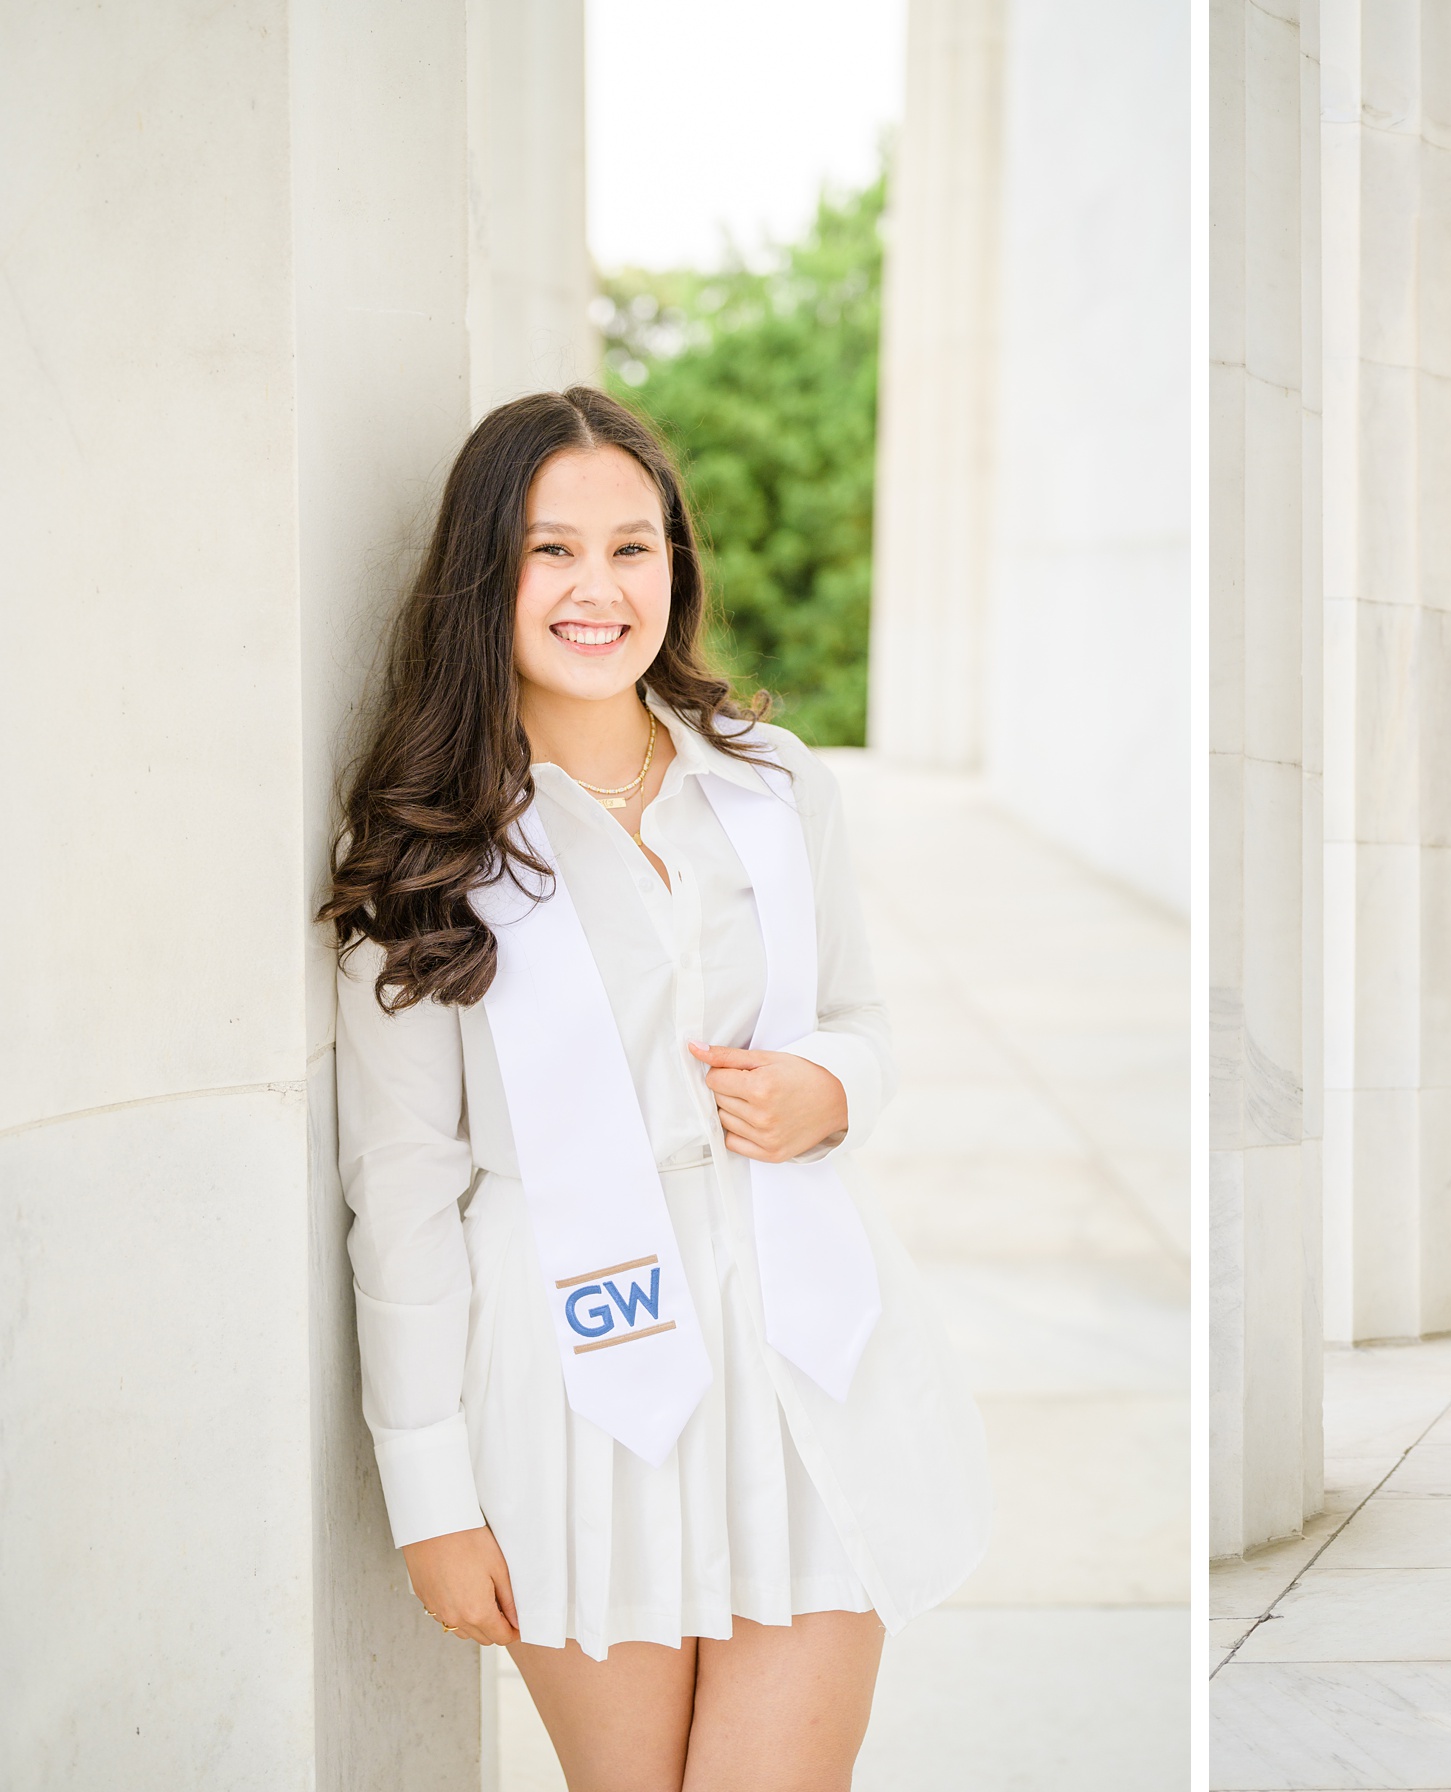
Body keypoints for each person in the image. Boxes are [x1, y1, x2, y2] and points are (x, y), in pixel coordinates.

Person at [322, 387, 989, 1791]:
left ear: (674, 567)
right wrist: (431, 1497)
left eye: (635, 546)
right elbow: (401, 1196)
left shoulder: (770, 786)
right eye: (551, 551)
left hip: (802, 1342)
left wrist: (831, 1087)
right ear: (482, 577)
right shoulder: (433, 847)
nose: (598, 587)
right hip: (579, 1379)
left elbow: (862, 1017)